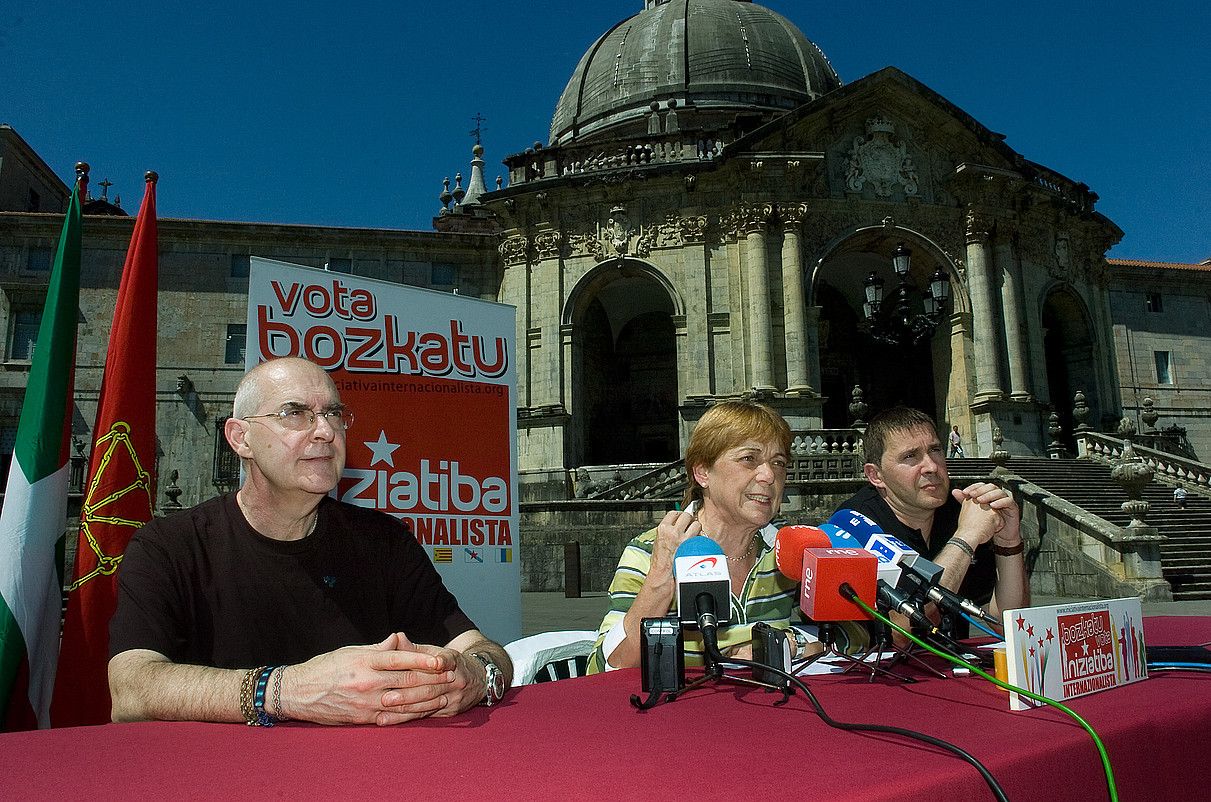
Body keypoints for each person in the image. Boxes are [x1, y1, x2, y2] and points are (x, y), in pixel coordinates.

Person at [108, 357, 512, 726]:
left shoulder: (384, 542)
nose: (325, 431)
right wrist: (286, 690)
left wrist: (476, 675)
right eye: (294, 413)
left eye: (333, 414)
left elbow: (483, 648)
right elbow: (130, 690)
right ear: (240, 438)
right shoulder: (169, 547)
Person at [586, 400, 805, 672]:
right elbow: (603, 668)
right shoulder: (649, 550)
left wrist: (794, 642)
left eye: (779, 462)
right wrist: (660, 578)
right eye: (749, 459)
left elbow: (857, 637)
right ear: (702, 473)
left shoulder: (790, 552)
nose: (769, 475)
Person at [837, 407, 1028, 633]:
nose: (931, 466)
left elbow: (1008, 624)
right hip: (882, 666)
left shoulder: (958, 511)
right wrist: (965, 538)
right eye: (910, 456)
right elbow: (902, 632)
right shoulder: (852, 524)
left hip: (954, 665)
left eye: (935, 450)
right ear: (875, 475)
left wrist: (1008, 541)